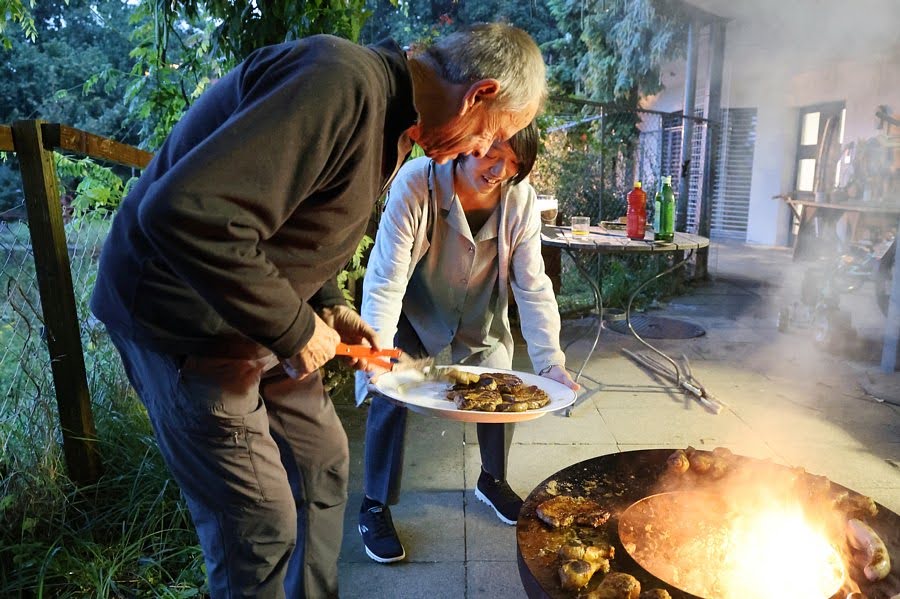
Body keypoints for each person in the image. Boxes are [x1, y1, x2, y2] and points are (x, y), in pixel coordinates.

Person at [90, 23, 546, 599]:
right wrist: (293, 326)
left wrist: (326, 302)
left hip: (255, 315)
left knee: (323, 463)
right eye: (492, 134)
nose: (482, 152)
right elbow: (185, 213)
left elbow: (291, 224)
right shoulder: (337, 83)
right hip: (187, 321)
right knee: (259, 522)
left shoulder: (393, 123)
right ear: (478, 94)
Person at [354, 122, 578, 564]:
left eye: (514, 161)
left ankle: (491, 480)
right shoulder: (416, 184)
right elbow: (385, 278)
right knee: (390, 393)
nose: (500, 169)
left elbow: (533, 287)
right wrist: (376, 351)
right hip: (414, 309)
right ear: (467, 143)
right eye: (492, 153)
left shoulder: (520, 200)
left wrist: (551, 362)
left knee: (503, 386)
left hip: (480, 310)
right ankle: (374, 504)